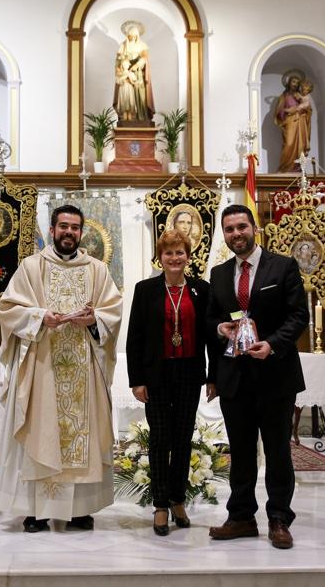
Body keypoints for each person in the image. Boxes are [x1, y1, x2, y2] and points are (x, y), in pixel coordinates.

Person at [0, 204, 123, 532]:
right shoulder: (31, 267)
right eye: (63, 226)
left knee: (82, 437)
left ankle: (79, 510)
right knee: (41, 431)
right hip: (43, 365)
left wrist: (95, 319)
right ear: (52, 230)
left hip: (83, 368)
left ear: (82, 232)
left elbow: (113, 311)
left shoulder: (96, 270)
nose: (69, 232)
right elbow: (7, 308)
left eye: (75, 228)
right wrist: (39, 317)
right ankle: (35, 510)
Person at [205, 204, 308, 548]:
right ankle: (241, 517)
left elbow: (298, 316)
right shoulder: (219, 274)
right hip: (235, 377)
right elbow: (211, 321)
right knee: (241, 452)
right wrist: (220, 328)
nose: (237, 234)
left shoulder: (283, 266)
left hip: (275, 375)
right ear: (224, 234)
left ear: (254, 228)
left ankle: (279, 518)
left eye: (241, 227)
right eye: (230, 229)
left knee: (278, 451)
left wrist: (272, 344)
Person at [127, 229, 214, 535]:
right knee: (160, 439)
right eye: (169, 253)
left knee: (181, 440)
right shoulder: (145, 289)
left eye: (180, 253)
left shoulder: (201, 290)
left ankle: (178, 499)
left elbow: (211, 338)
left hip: (189, 373)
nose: (174, 258)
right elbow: (134, 338)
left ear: (188, 257)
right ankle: (161, 505)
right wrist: (136, 380)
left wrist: (212, 376)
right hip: (157, 375)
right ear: (160, 257)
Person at [113, 21, 154, 125]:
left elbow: (145, 58)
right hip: (125, 74)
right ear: (128, 36)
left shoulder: (142, 45)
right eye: (131, 36)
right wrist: (121, 68)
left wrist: (137, 65)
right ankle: (126, 117)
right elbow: (118, 61)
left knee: (140, 95)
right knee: (126, 97)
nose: (133, 38)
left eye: (135, 36)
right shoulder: (123, 45)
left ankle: (141, 117)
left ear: (138, 36)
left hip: (138, 73)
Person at [274, 71, 312, 173]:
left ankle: (297, 167)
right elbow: (279, 111)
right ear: (289, 83)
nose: (294, 84)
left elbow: (308, 109)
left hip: (300, 123)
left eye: (296, 82)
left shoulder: (301, 96)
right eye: (293, 82)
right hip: (289, 122)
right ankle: (285, 167)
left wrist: (303, 110)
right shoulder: (284, 96)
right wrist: (285, 112)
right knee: (288, 144)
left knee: (300, 146)